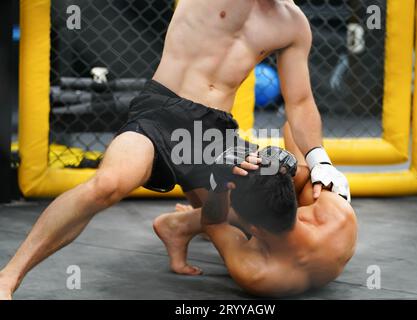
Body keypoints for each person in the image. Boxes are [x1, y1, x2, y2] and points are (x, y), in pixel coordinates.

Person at [0, 0, 349, 299]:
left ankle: (177, 226)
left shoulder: (292, 24)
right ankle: (9, 276)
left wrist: (321, 160)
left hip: (215, 134)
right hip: (160, 113)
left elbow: (300, 102)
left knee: (286, 182)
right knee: (108, 185)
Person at [154, 145, 357, 297]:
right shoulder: (339, 217)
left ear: (252, 229)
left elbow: (215, 222)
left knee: (200, 154)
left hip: (271, 255)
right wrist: (291, 169)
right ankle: (181, 223)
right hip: (315, 241)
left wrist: (218, 183)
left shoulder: (254, 271)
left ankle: (178, 225)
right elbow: (307, 180)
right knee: (294, 147)